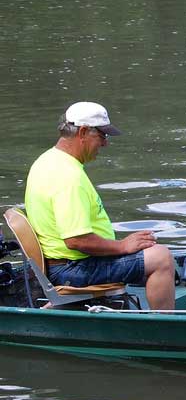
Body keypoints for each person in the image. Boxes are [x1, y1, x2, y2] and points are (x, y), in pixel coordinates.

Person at [24, 102, 176, 310]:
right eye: (102, 136)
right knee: (161, 258)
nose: (105, 143)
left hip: (59, 263)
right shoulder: (68, 176)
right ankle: (166, 329)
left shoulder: (47, 160)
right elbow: (76, 240)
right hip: (71, 269)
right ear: (83, 132)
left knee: (147, 250)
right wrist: (123, 246)